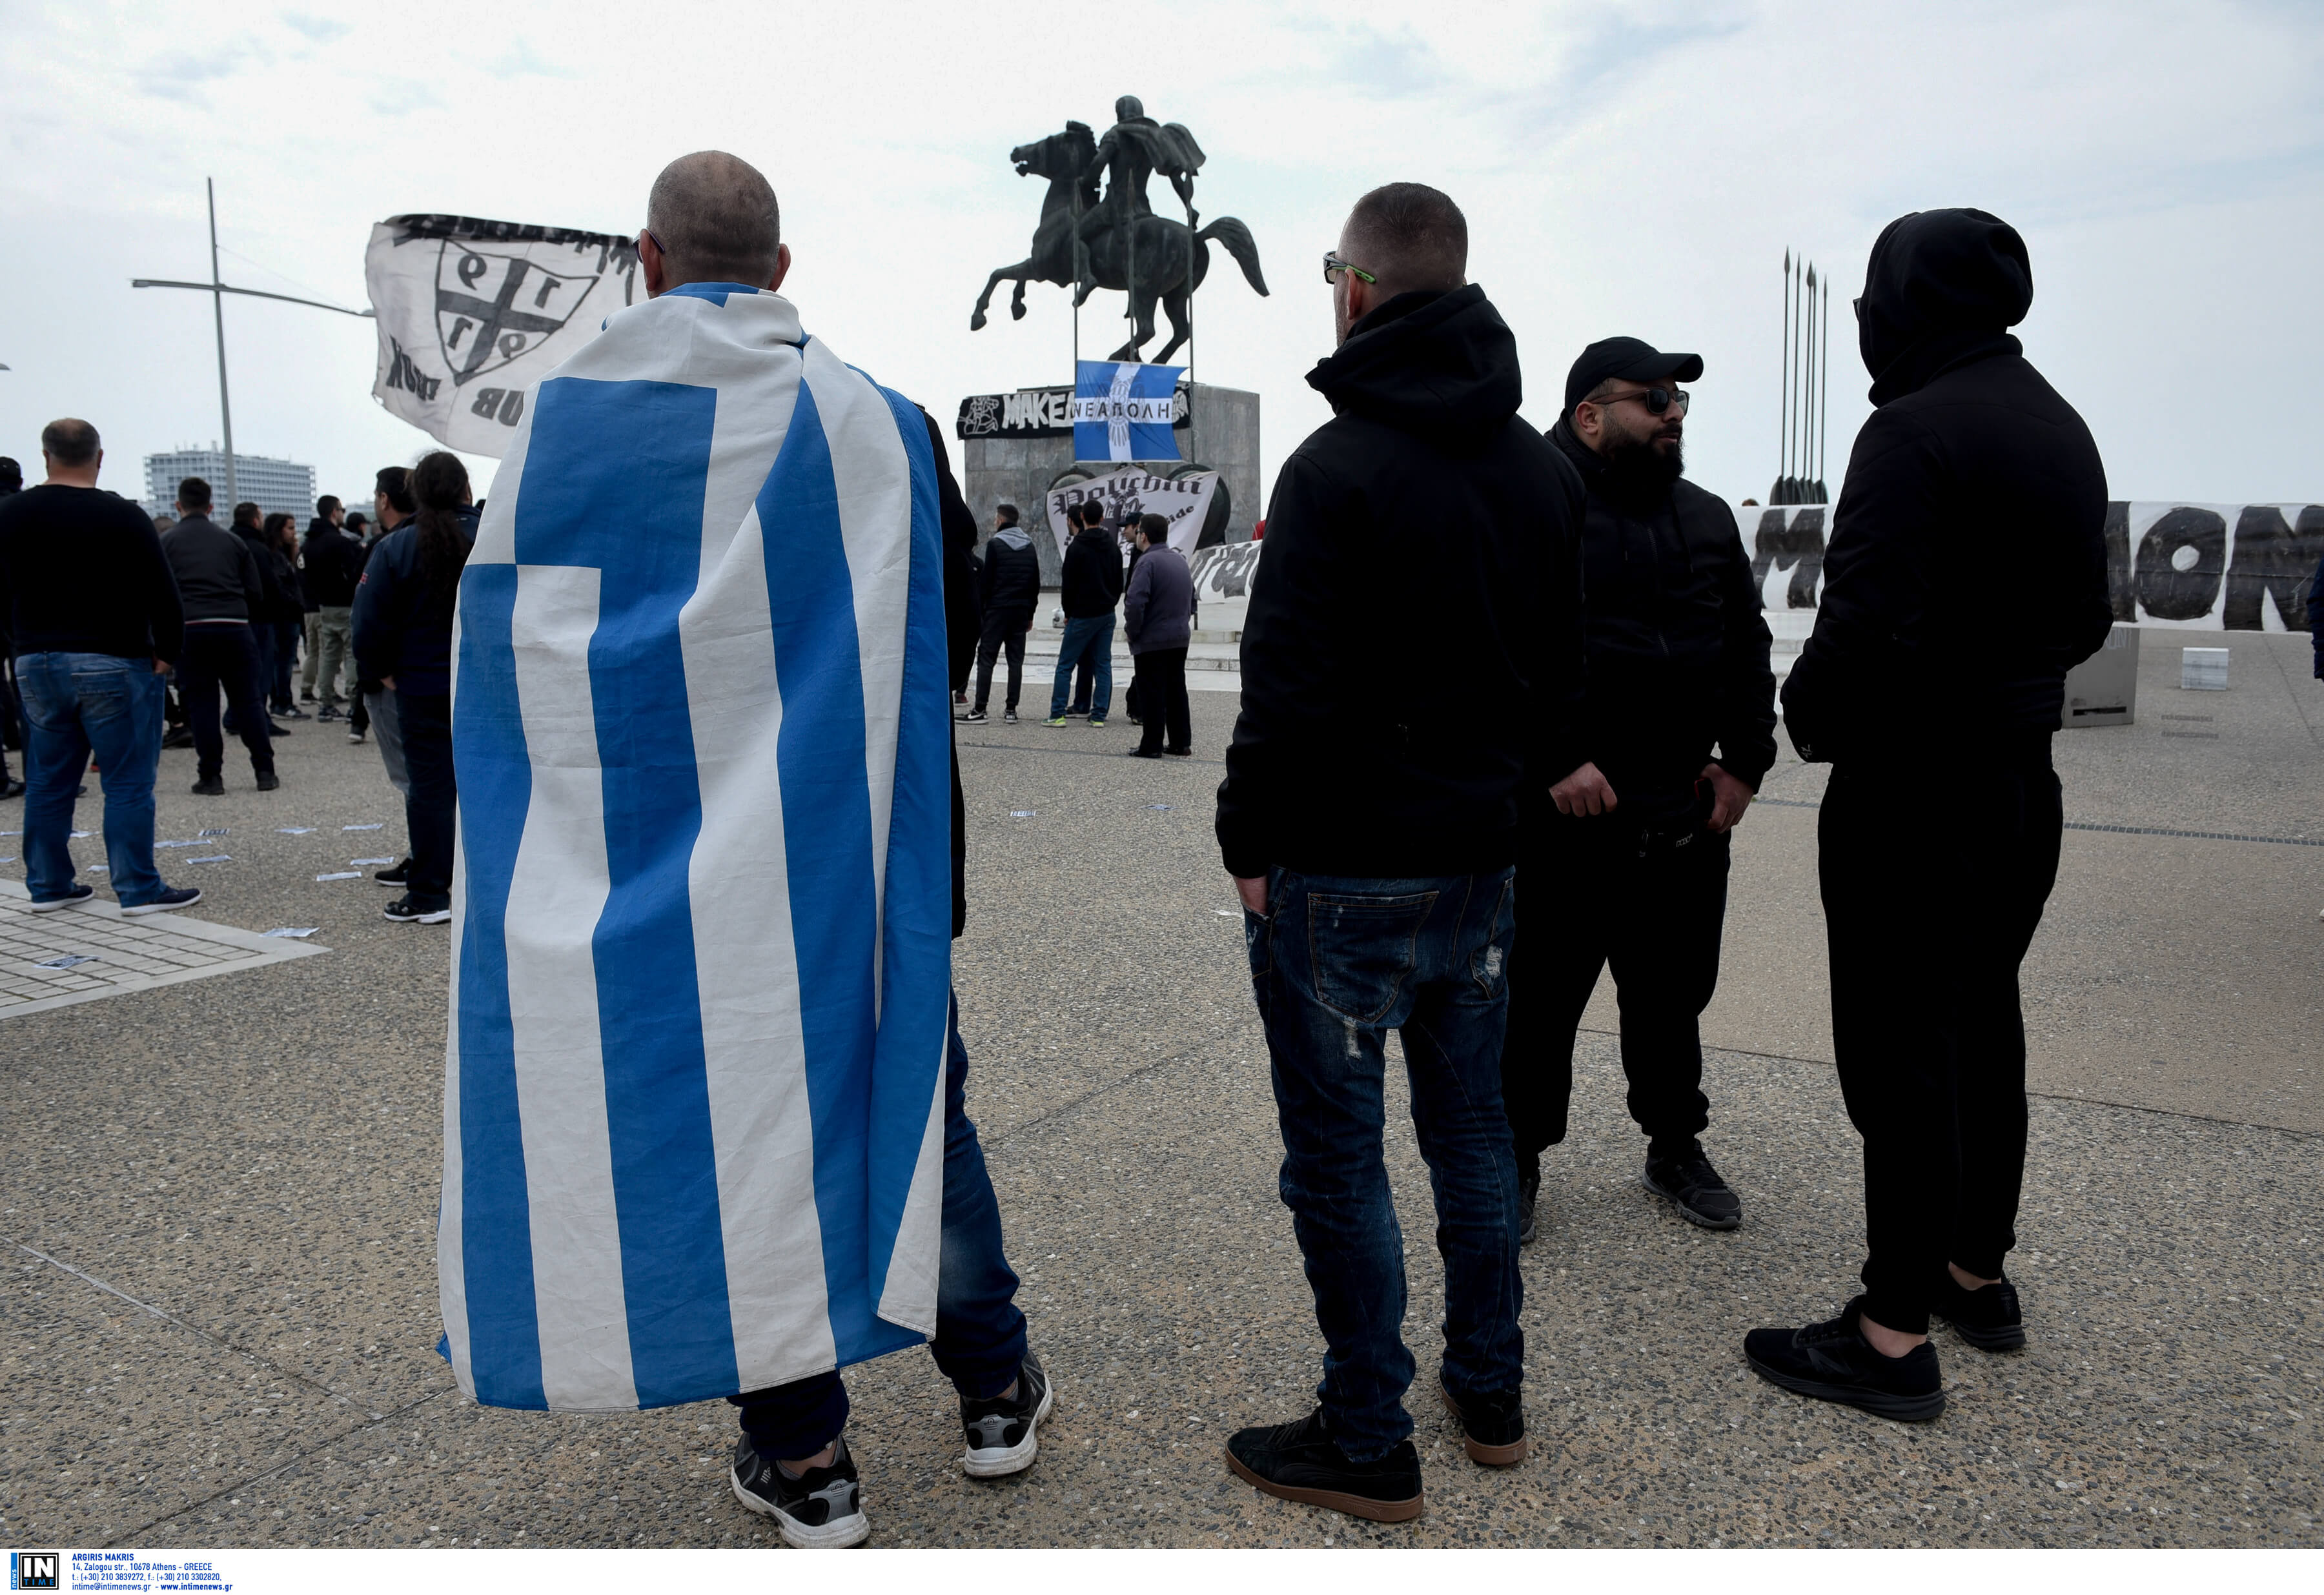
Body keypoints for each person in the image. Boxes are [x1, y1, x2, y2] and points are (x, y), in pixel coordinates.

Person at [434, 150, 1043, 1550]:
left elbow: (525, 645)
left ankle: (808, 1453)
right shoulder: (878, 422)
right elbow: (930, 624)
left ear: (646, 261)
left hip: (651, 851)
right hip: (853, 845)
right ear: (779, 269)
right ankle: (996, 1386)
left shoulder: (563, 425)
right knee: (912, 1106)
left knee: (728, 1127)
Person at [1215, 183, 1585, 1521]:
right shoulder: (1543, 470)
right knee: (1473, 1133)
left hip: (1343, 864)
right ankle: (1491, 1387)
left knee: (1339, 1155)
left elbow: (1288, 685)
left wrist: (1247, 841)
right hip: (1480, 862)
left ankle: (1366, 1427)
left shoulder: (1337, 467)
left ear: (1356, 287)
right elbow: (1556, 676)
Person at [1748, 208, 2111, 1421]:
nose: (1860, 318)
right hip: (2021, 783)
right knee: (1982, 1021)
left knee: (1899, 1052)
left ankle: (1891, 1333)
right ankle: (1974, 1268)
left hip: (1916, 792)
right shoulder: (2061, 425)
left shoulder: (1909, 428)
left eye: (1870, 297)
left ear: (1905, 301)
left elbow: (1862, 623)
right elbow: (2091, 622)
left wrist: (1807, 714)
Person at [1499, 338, 1777, 1244]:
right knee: (1539, 1002)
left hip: (1681, 810)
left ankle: (1674, 1141)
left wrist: (1744, 760)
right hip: (1566, 817)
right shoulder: (1535, 506)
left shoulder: (1702, 515)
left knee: (1670, 993)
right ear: (1589, 413)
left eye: (1680, 401)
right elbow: (1496, 648)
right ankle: (1518, 1153)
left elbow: (1746, 643)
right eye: (1653, 398)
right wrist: (1552, 758)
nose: (1672, 413)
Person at [0, 420, 198, 911]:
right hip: (114, 656)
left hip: (37, 658)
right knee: (128, 781)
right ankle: (137, 886)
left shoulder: (10, 514)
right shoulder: (123, 515)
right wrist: (168, 651)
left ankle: (47, 884)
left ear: (46, 457)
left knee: (47, 779)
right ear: (100, 457)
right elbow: (162, 589)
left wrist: (19, 642)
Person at [351, 452, 473, 924]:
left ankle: (429, 892)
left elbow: (368, 621)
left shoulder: (395, 547)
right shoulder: (493, 534)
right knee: (490, 782)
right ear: (466, 488)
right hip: (486, 687)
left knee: (429, 789)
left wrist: (381, 669)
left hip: (421, 685)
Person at [160, 476, 277, 795]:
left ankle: (211, 776)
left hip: (191, 629)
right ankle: (264, 771)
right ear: (211, 507)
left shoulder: (167, 543)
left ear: (178, 505)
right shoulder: (232, 542)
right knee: (248, 701)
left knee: (202, 705)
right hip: (233, 626)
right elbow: (255, 591)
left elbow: (158, 593)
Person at [349, 469, 416, 750]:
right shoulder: (441, 539)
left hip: (393, 678)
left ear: (384, 499)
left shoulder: (384, 548)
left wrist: (379, 671)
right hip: (431, 673)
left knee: (409, 776)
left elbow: (363, 618)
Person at [1045, 498, 1122, 726]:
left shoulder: (1077, 547)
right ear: (1101, 519)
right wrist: (1111, 602)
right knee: (1103, 665)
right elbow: (1119, 581)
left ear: (1082, 518)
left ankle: (1057, 713)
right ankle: (1099, 715)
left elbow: (1068, 584)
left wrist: (1068, 611)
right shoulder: (1112, 546)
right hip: (1106, 613)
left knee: (1065, 665)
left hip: (1082, 613)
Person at [1122, 513, 1193, 757]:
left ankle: (1151, 746)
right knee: (1176, 690)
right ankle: (1181, 742)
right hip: (1179, 637)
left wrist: (1132, 632)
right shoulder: (1179, 560)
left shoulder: (1147, 562)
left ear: (1144, 535)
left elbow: (1134, 603)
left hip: (1153, 639)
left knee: (1152, 693)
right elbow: (1192, 601)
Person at [223, 502, 293, 738]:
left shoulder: (228, 543)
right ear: (255, 521)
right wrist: (288, 603)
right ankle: (259, 718)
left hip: (232, 616)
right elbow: (268, 584)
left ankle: (234, 716)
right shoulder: (258, 549)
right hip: (260, 617)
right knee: (260, 671)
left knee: (238, 673)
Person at [964, 502, 1038, 723]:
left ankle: (980, 709)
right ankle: (1011, 711)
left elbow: (986, 583)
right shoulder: (1030, 546)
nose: (995, 522)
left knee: (987, 659)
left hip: (997, 611)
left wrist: (983, 610)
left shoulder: (996, 545)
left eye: (996, 519)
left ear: (1001, 520)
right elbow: (1035, 583)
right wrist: (1030, 614)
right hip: (1020, 612)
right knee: (1015, 662)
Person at [300, 495, 354, 708]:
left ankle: (325, 699)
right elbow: (353, 573)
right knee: (350, 653)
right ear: (334, 512)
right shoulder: (340, 542)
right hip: (344, 603)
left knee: (327, 654)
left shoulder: (309, 543)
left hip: (322, 604)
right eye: (341, 509)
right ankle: (353, 696)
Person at [260, 512, 309, 718]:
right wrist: (294, 601)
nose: (294, 532)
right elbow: (281, 585)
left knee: (280, 660)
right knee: (284, 661)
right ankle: (283, 701)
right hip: (285, 615)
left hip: (284, 614)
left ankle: (280, 700)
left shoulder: (280, 554)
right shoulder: (275, 556)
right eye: (290, 528)